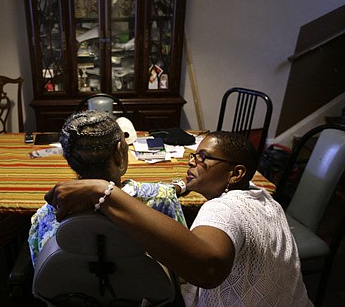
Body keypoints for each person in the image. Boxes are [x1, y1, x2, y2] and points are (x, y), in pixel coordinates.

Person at [44, 131, 312, 306]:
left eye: (203, 158)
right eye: (193, 155)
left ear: (235, 173)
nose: (191, 162)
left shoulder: (221, 209)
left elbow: (207, 268)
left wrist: (104, 191)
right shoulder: (265, 198)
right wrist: (183, 187)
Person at [28, 110, 187, 267]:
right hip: (148, 290)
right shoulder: (162, 199)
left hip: (73, 291)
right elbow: (184, 263)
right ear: (119, 153)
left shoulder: (46, 216)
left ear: (69, 160)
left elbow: (41, 267)